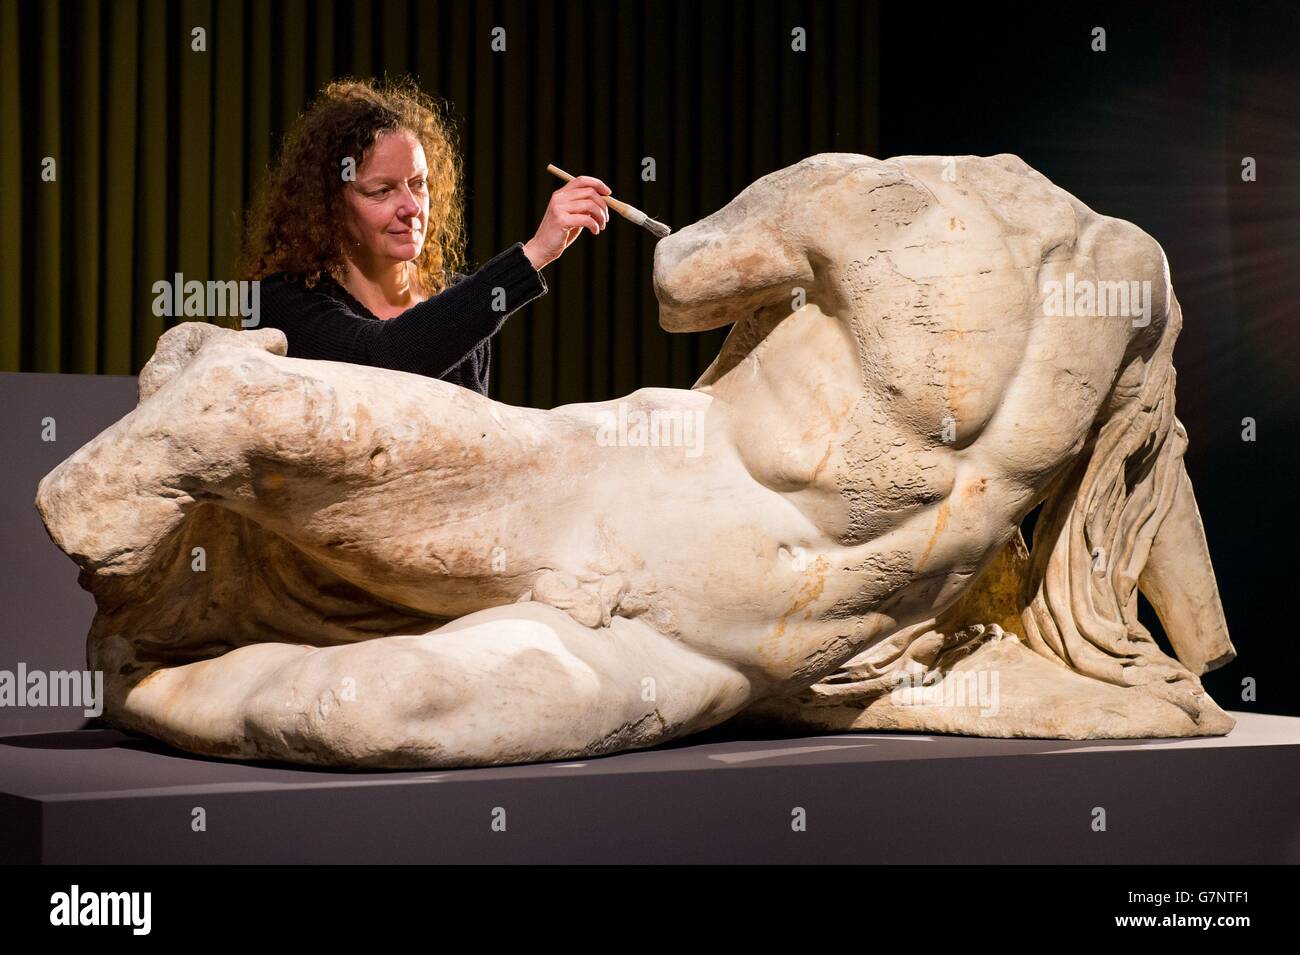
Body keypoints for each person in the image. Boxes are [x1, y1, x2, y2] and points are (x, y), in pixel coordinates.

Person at [239, 77, 611, 395]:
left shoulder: (457, 298)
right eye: (381, 191)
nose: (412, 207)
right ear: (328, 205)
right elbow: (380, 361)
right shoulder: (280, 301)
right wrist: (531, 256)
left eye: (418, 185)